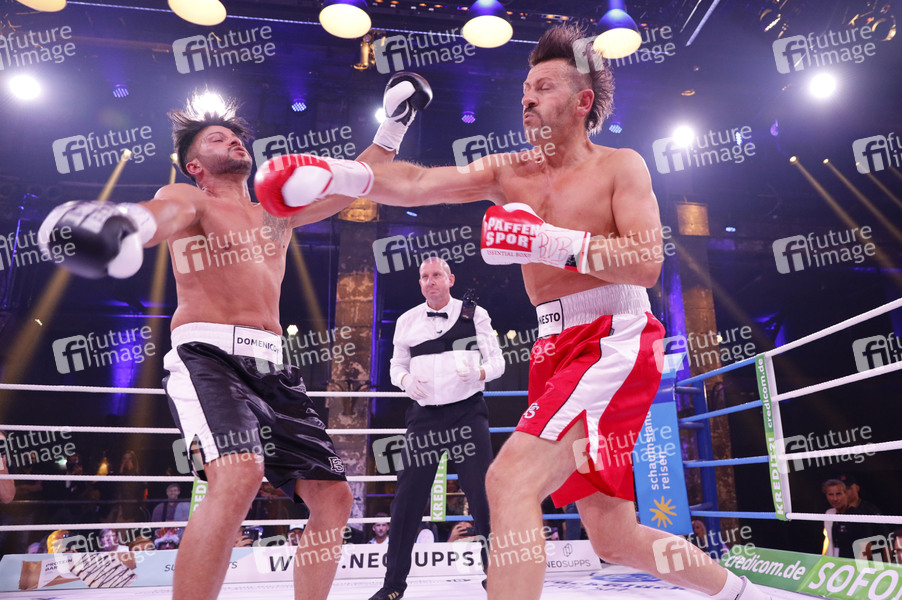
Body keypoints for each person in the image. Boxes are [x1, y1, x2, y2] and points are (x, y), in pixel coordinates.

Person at [255, 22, 775, 600]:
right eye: (525, 89)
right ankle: (749, 595)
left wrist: (547, 241)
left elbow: (646, 262)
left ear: (582, 102)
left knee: (508, 480)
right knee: (613, 535)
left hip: (614, 337)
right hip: (553, 347)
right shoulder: (510, 172)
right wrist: (342, 171)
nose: (528, 98)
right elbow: (416, 183)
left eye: (544, 87)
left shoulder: (620, 166)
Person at [39, 72, 432, 600]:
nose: (234, 141)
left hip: (273, 366)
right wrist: (122, 223)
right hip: (209, 356)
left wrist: (394, 125)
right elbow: (163, 215)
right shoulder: (191, 198)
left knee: (334, 497)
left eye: (236, 136)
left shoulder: (275, 212)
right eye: (217, 138)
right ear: (195, 165)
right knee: (240, 474)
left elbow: (355, 181)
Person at [367, 256, 504, 600]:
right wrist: (405, 381)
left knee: (483, 496)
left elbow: (498, 362)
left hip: (467, 414)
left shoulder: (476, 314)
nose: (431, 281)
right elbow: (395, 366)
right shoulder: (407, 320)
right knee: (406, 500)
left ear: (450, 279)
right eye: (425, 276)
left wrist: (480, 373)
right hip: (424, 417)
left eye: (437, 275)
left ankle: (498, 577)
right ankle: (393, 586)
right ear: (420, 283)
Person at [821, 477, 882, 559]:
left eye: (839, 494)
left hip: (852, 564)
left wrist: (856, 566)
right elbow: (829, 543)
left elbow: (866, 549)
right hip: (834, 562)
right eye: (831, 494)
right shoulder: (829, 514)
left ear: (846, 493)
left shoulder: (858, 517)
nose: (835, 499)